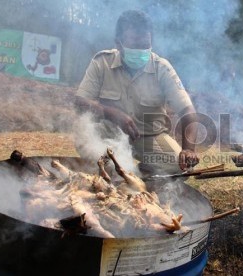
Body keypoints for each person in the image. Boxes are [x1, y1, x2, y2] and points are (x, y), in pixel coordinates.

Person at [74, 10, 199, 174]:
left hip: (150, 137)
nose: (141, 51)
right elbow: (80, 102)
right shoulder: (101, 62)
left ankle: (132, 173)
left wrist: (188, 149)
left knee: (180, 168)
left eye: (145, 46)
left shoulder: (162, 68)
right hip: (108, 133)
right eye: (135, 46)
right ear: (118, 44)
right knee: (84, 137)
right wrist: (110, 113)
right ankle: (119, 170)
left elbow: (187, 111)